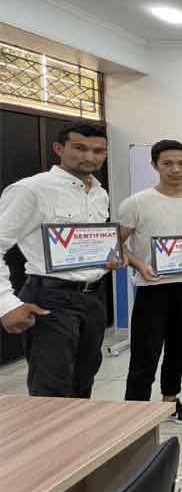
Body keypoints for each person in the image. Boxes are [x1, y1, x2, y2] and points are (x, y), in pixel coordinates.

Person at [0, 123, 123, 397]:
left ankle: (79, 427)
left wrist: (107, 258)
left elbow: (86, 244)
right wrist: (6, 304)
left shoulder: (99, 193)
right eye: (80, 148)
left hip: (93, 298)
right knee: (52, 387)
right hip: (50, 299)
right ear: (59, 149)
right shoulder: (31, 190)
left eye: (98, 151)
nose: (89, 157)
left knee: (84, 379)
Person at [119, 140, 182, 424]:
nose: (176, 169)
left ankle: (170, 402)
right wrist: (139, 264)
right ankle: (135, 414)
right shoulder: (137, 202)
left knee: (180, 349)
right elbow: (114, 245)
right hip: (153, 288)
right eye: (167, 163)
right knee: (145, 354)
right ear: (154, 165)